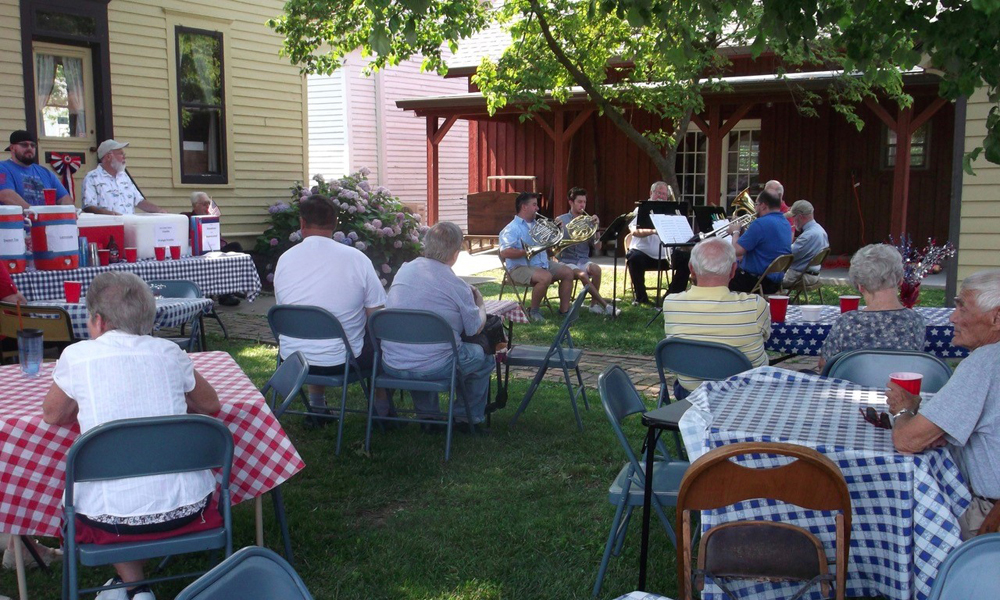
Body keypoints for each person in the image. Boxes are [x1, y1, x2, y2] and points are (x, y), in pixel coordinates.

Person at [41, 272, 222, 600]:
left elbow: (53, 415)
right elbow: (210, 405)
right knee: (131, 489)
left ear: (98, 320)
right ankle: (136, 589)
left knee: (114, 492)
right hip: (190, 509)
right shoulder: (169, 352)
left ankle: (134, 588)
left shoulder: (78, 357)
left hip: (108, 521)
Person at [888, 269, 1000, 539]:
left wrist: (904, 410)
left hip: (988, 512)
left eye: (962, 308)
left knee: (904, 524)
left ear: (996, 318)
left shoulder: (985, 362)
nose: (953, 317)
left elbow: (907, 440)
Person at [273, 194, 392, 416]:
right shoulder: (356, 259)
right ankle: (382, 410)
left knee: (311, 326)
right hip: (343, 359)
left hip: (292, 359)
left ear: (302, 223)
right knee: (381, 340)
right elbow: (376, 315)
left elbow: (286, 309)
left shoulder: (285, 259)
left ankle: (317, 407)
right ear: (335, 223)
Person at [383, 222, 496, 425]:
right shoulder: (457, 285)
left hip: (392, 362)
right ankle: (465, 418)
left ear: (426, 246)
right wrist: (480, 305)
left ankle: (428, 416)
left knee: (421, 349)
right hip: (435, 366)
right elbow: (474, 328)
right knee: (483, 357)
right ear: (455, 253)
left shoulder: (405, 270)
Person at [662, 237, 770, 399]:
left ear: (691, 269)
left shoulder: (670, 304)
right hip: (746, 395)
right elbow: (766, 338)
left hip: (692, 396)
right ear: (733, 270)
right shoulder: (756, 306)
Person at [818, 244, 925, 370]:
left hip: (854, 387)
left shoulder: (847, 322)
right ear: (900, 281)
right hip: (897, 388)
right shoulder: (915, 321)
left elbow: (825, 366)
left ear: (860, 286)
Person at [498, 191, 574, 322]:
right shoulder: (511, 229)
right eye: (534, 205)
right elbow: (505, 252)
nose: (537, 209)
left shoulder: (538, 225)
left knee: (568, 272)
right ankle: (534, 311)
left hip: (542, 264)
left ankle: (564, 311)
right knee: (545, 277)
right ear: (524, 207)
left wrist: (556, 230)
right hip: (519, 268)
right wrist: (526, 251)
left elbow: (548, 247)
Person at [556, 187, 619, 316]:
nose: (582, 205)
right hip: (566, 261)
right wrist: (557, 229)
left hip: (583, 260)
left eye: (584, 202)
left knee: (596, 269)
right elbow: (554, 244)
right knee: (583, 275)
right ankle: (606, 306)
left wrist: (596, 229)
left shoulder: (589, 221)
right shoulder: (561, 220)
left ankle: (593, 305)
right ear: (571, 202)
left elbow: (597, 247)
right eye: (579, 202)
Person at [626, 181, 690, 306]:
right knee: (634, 258)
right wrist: (654, 231)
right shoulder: (640, 209)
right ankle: (641, 298)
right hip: (644, 254)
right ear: (651, 193)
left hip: (667, 256)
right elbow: (634, 231)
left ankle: (671, 296)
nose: (661, 196)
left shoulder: (671, 211)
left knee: (688, 259)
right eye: (658, 193)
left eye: (664, 194)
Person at [727, 189, 792, 294]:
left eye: (756, 204)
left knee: (715, 274)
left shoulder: (760, 223)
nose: (755, 208)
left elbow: (735, 251)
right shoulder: (785, 223)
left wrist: (735, 231)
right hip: (774, 283)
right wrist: (742, 232)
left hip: (755, 281)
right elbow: (759, 242)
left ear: (763, 206)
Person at [82, 140, 165, 215]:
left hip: (129, 225)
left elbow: (139, 201)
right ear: (108, 157)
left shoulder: (124, 176)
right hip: (107, 227)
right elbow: (88, 207)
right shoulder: (92, 177)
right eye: (121, 154)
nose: (124, 157)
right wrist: (110, 215)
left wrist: (159, 210)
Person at [0, 130, 72, 207]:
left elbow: (65, 198)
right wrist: (34, 212)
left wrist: (64, 212)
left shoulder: (45, 172)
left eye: (33, 145)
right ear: (12, 148)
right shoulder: (3, 168)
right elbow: (6, 196)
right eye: (24, 145)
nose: (30, 148)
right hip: (19, 218)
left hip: (46, 218)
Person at [781, 200, 829, 289]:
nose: (793, 220)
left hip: (800, 276)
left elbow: (787, 257)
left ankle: (775, 301)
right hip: (813, 275)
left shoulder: (808, 236)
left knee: (764, 279)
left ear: (800, 217)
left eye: (793, 217)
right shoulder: (821, 230)